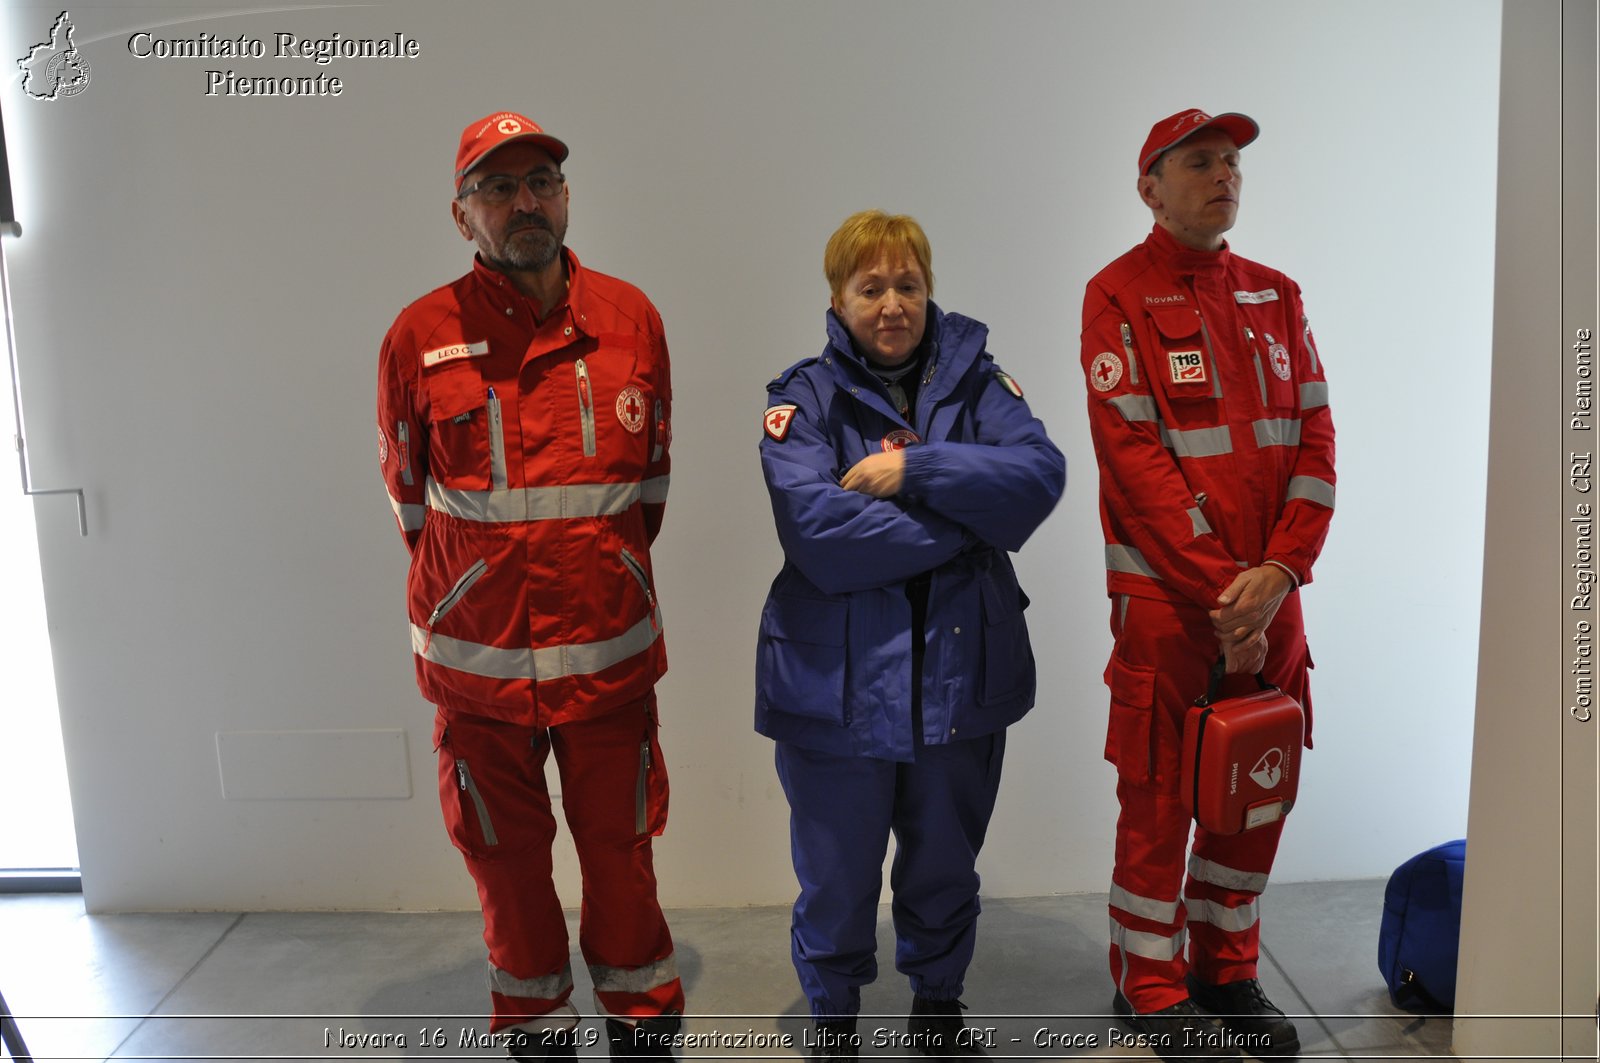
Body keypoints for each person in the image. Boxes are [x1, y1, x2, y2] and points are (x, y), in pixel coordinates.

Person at [376, 112, 683, 1062]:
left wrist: (604, 573)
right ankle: (537, 1021)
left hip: (607, 652)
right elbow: (410, 500)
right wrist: (477, 588)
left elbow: (651, 490)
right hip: (480, 668)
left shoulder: (633, 321)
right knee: (505, 864)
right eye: (498, 189)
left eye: (541, 181)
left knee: (620, 853)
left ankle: (641, 1012)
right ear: (462, 213)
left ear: (565, 195)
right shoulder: (418, 337)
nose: (525, 204)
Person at [757, 210, 1065, 1060]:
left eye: (908, 285)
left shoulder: (981, 386)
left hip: (961, 679)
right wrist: (968, 522)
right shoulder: (802, 401)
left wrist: (917, 470)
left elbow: (1039, 478)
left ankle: (938, 1008)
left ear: (928, 290)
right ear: (837, 298)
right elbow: (819, 536)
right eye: (871, 287)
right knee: (837, 877)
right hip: (836, 691)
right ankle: (835, 1025)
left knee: (944, 866)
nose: (892, 304)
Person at [1079, 109, 1336, 1062]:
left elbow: (1316, 443)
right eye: (1199, 162)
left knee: (1254, 786)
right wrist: (1228, 591)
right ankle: (1148, 983)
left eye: (1231, 162)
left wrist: (1278, 572)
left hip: (1273, 599)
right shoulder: (1116, 296)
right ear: (1150, 186)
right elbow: (1135, 461)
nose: (1223, 174)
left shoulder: (1278, 296)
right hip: (1169, 603)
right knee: (1158, 794)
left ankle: (1223, 969)